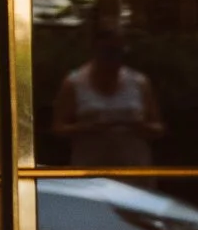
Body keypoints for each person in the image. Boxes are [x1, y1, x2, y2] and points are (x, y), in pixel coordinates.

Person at [54, 25, 168, 161]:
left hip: (133, 167)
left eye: (118, 51)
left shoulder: (139, 82)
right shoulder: (74, 83)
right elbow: (58, 128)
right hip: (90, 167)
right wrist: (86, 128)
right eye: (107, 51)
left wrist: (139, 127)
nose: (113, 57)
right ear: (94, 50)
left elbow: (158, 127)